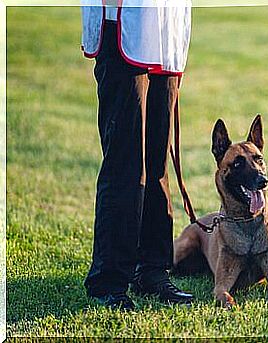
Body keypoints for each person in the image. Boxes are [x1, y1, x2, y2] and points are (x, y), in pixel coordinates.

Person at [81, 0, 193, 310]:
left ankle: (152, 270)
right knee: (124, 163)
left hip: (166, 28)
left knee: (156, 161)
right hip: (123, 22)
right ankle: (109, 279)